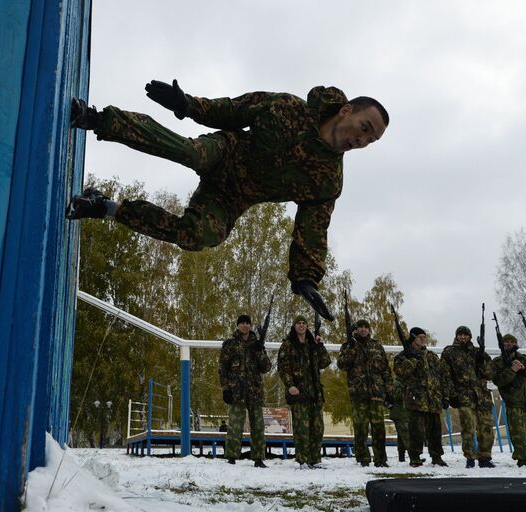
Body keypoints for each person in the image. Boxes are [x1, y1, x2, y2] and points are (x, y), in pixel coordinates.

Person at [66, 80, 389, 321]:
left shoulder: (328, 180)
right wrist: (187, 104)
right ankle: (97, 119)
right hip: (226, 152)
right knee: (190, 152)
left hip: (232, 198)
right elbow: (233, 111)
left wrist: (306, 278)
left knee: (199, 236)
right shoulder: (288, 108)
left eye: (370, 140)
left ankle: (105, 207)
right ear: (346, 110)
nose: (361, 140)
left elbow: (313, 231)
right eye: (364, 128)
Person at [336, 319, 393, 467]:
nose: (363, 330)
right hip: (358, 393)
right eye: (360, 327)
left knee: (379, 428)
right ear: (355, 330)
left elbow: (385, 369)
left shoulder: (376, 346)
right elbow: (342, 364)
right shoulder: (349, 345)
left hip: (376, 393)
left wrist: (389, 390)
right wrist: (350, 347)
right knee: (360, 427)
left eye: (365, 327)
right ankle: (363, 458)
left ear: (369, 329)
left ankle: (381, 459)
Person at [277, 315, 332, 469]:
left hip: (314, 393)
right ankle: (303, 460)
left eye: (304, 323)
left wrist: (320, 345)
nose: (301, 326)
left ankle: (315, 459)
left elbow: (325, 362)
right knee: (302, 428)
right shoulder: (288, 344)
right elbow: (283, 367)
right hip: (298, 392)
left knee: (317, 427)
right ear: (294, 326)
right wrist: (290, 385)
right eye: (298, 323)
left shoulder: (312, 343)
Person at [394, 327, 452, 467]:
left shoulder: (431, 356)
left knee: (435, 431)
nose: (422, 339)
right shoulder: (403, 356)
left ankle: (436, 456)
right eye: (419, 336)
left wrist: (446, 396)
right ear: (412, 338)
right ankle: (415, 457)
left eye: (423, 337)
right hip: (415, 400)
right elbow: (401, 373)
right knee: (416, 431)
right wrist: (412, 359)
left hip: (433, 400)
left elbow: (444, 375)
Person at [218, 314, 272, 468]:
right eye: (242, 323)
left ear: (251, 325)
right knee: (235, 425)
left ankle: (258, 458)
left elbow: (267, 367)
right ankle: (231, 456)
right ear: (237, 326)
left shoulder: (257, 344)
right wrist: (225, 389)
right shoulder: (230, 344)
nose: (245, 326)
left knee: (258, 426)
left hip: (255, 391)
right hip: (236, 391)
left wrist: (259, 351)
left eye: (248, 323)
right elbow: (223, 369)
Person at [441, 326, 495, 468]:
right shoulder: (449, 352)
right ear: (456, 336)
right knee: (468, 428)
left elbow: (489, 374)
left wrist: (482, 360)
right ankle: (470, 457)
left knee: (486, 427)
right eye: (460, 335)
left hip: (482, 396)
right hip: (464, 395)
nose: (463, 337)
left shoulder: (478, 352)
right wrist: (451, 395)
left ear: (470, 336)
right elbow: (445, 376)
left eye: (465, 335)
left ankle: (485, 457)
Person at [491, 334, 526, 467]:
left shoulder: (525, 359)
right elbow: (498, 380)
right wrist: (512, 370)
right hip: (514, 402)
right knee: (518, 433)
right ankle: (521, 458)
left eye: (511, 341)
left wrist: (524, 368)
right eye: (506, 342)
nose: (509, 344)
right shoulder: (498, 362)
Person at [388, 376, 410, 463]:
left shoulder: (400, 383)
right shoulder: (397, 383)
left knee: (401, 437)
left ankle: (401, 457)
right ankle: (413, 456)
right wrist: (409, 392)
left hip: (401, 413)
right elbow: (398, 396)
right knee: (406, 435)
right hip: (399, 413)